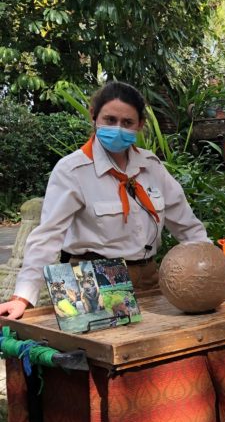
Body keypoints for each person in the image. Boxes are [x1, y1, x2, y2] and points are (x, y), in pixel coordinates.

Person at [0, 81, 209, 320]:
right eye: (110, 120)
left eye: (127, 122)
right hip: (94, 280)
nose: (118, 128)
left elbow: (187, 226)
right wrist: (22, 297)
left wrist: (212, 267)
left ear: (140, 125)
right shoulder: (73, 170)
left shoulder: (151, 167)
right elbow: (48, 237)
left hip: (150, 277)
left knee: (158, 348)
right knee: (106, 353)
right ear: (94, 117)